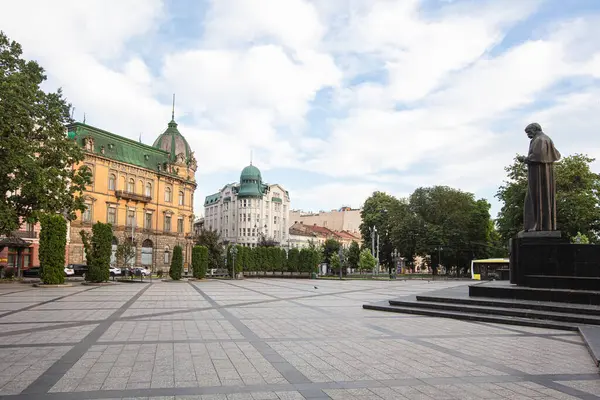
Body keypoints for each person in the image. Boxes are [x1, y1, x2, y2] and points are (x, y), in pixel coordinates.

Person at [520, 123, 561, 232]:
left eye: (529, 132)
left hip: (539, 174)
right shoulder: (547, 139)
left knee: (536, 197)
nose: (528, 135)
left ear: (535, 130)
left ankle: (538, 225)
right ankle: (540, 225)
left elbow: (537, 156)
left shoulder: (540, 140)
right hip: (542, 173)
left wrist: (524, 159)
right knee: (537, 197)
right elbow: (555, 154)